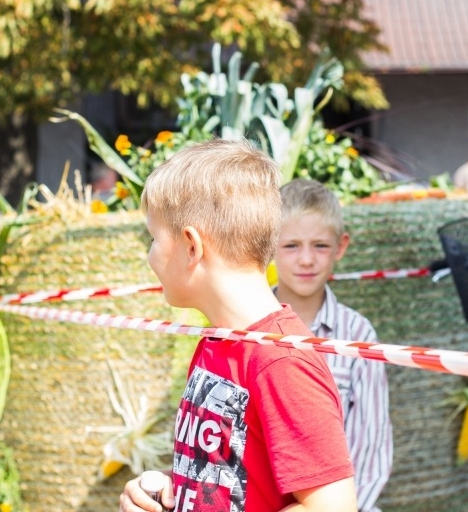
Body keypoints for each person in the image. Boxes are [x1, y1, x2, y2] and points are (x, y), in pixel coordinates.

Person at [119, 139, 357, 512]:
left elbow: (332, 507)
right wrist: (172, 487)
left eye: (153, 238)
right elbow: (226, 479)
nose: (149, 256)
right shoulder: (217, 342)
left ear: (192, 246)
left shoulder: (283, 361)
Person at [273, 179, 392, 512]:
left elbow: (371, 449)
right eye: (291, 245)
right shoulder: (244, 329)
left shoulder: (357, 334)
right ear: (268, 244)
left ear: (341, 247)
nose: (306, 259)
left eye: (320, 246)